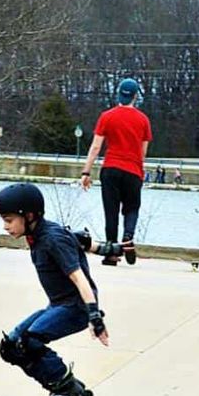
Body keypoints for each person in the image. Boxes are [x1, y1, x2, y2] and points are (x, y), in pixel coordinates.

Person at [0, 183, 117, 396]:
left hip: (75, 308)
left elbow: (79, 278)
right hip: (58, 305)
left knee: (30, 342)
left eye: (8, 220)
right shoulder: (39, 234)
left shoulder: (51, 238)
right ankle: (64, 390)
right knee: (12, 346)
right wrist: (106, 249)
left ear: (29, 216)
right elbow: (79, 240)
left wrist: (95, 316)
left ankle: (67, 393)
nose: (5, 226)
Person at [80, 77, 152, 266]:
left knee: (110, 211)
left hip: (110, 169)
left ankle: (111, 253)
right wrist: (138, 170)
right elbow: (143, 153)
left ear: (119, 94)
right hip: (133, 171)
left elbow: (96, 147)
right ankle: (128, 236)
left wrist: (86, 172)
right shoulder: (143, 120)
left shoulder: (107, 116)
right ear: (136, 96)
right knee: (132, 208)